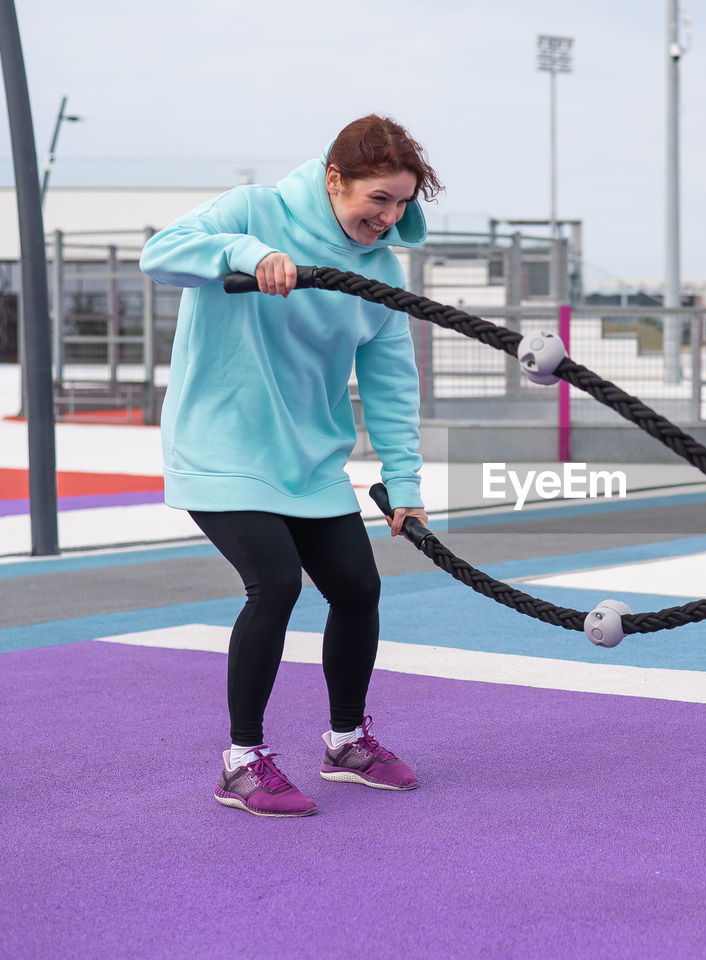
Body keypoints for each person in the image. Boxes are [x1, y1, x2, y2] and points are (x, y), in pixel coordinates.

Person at [140, 115, 442, 817]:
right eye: (379, 200)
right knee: (274, 583)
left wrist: (406, 484)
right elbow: (161, 256)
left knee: (358, 589)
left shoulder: (381, 270)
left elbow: (393, 385)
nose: (390, 217)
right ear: (335, 179)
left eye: (402, 203)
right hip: (221, 444)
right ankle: (242, 761)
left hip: (309, 458)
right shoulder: (253, 210)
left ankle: (346, 743)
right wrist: (243, 254)